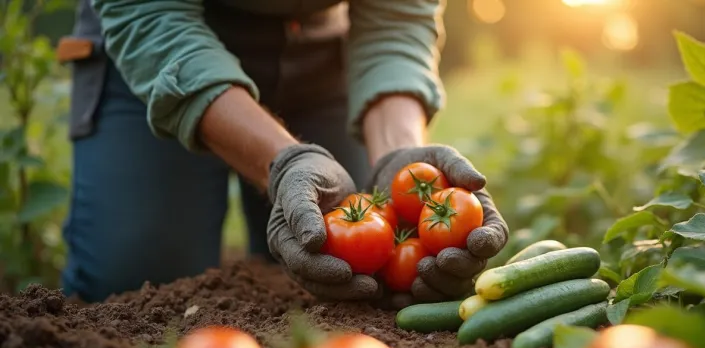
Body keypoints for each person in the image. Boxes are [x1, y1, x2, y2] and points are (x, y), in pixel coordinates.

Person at [57, 0, 509, 305]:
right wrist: (282, 161)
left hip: (325, 49)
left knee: (353, 277)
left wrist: (401, 159)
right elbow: (149, 14)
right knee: (136, 276)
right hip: (156, 42)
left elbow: (397, 19)